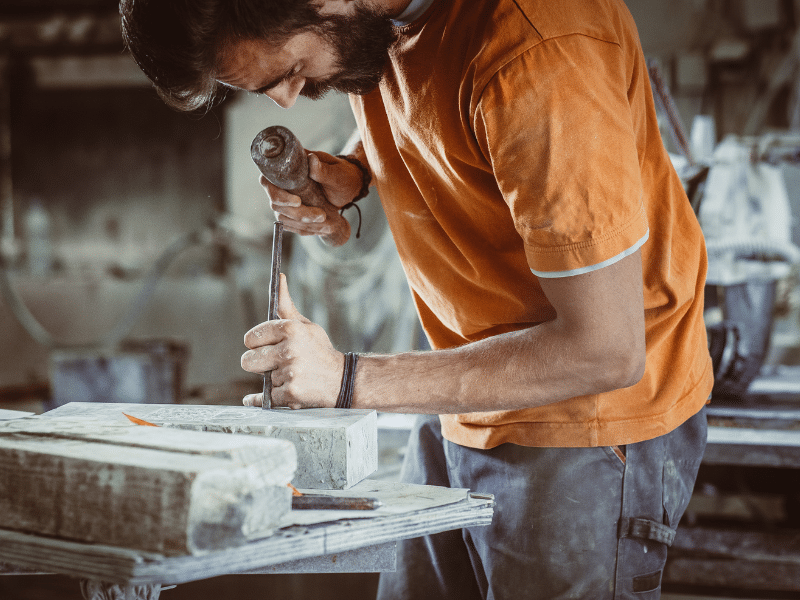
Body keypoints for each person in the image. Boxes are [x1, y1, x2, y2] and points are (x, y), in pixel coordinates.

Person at [120, 0, 713, 597]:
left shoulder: (541, 53)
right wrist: (356, 169)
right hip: (466, 389)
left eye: (292, 72)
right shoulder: (376, 21)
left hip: (584, 427)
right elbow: (435, 92)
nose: (287, 101)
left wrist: (345, 378)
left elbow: (605, 350)